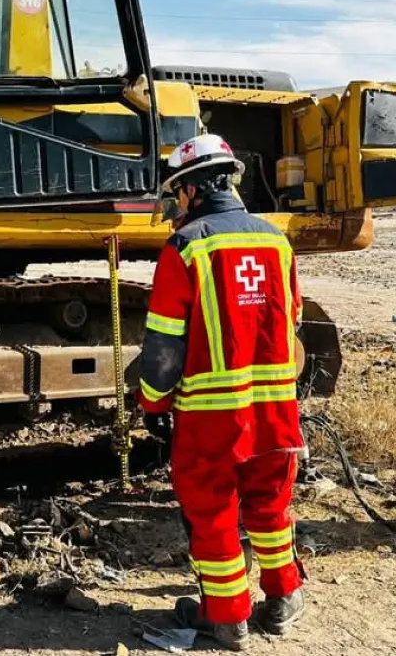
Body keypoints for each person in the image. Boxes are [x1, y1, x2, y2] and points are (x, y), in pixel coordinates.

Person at [136, 134, 307, 650]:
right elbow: (291, 321)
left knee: (212, 513)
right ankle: (283, 600)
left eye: (176, 194)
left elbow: (164, 345)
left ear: (190, 190)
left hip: (213, 418)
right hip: (276, 410)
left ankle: (228, 618)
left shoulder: (186, 247)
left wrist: (152, 403)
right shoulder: (276, 241)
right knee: (271, 506)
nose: (175, 206)